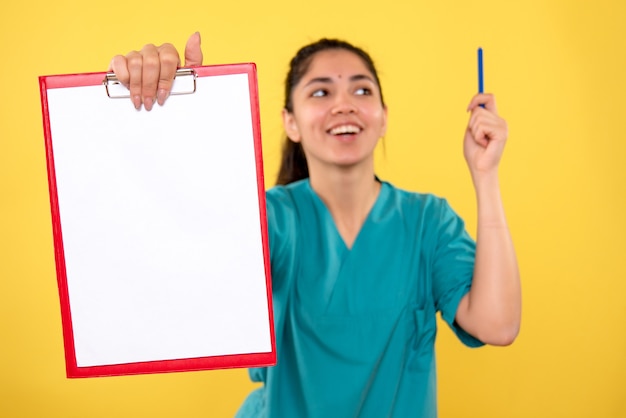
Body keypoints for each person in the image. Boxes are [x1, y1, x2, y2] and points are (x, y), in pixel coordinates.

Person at [110, 32, 521, 417]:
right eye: (321, 91)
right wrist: (171, 115)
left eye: (362, 90)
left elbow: (497, 324)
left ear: (383, 118)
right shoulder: (270, 219)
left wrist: (485, 174)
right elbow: (176, 259)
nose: (345, 104)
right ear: (290, 122)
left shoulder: (427, 223)